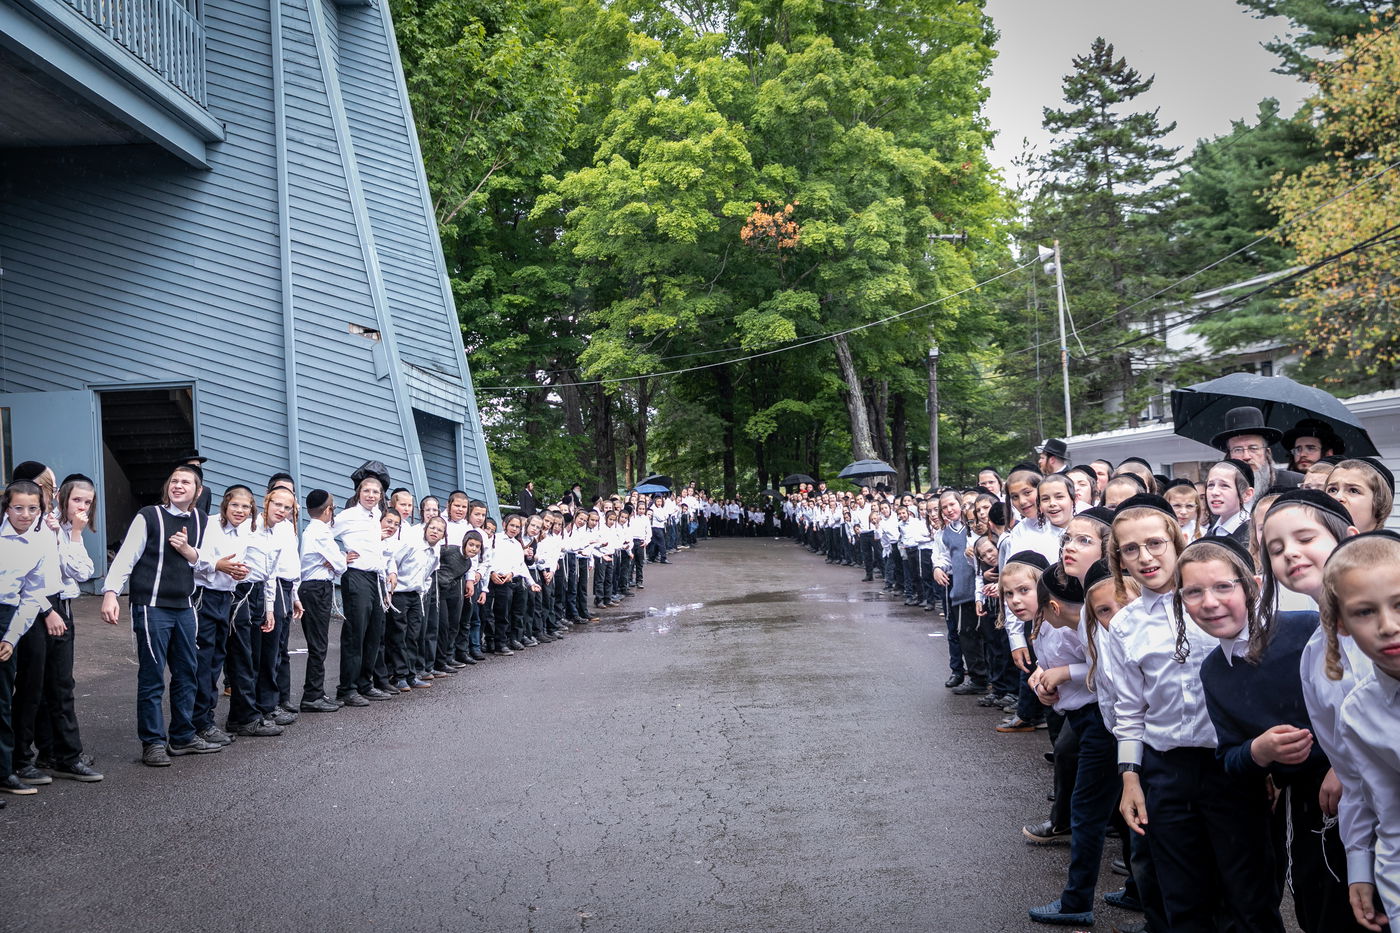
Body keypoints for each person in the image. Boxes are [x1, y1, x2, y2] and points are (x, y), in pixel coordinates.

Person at [1109, 493, 1285, 933]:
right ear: (1120, 559)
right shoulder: (1126, 626)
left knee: (1249, 898)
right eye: (1131, 549)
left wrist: (1269, 766)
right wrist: (1130, 777)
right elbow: (1128, 710)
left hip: (1232, 765)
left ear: (1177, 538)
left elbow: (1261, 685)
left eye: (1154, 543)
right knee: (1183, 901)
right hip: (1167, 770)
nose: (1145, 557)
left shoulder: (1221, 604)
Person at [100, 465, 223, 766]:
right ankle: (153, 743)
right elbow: (127, 556)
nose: (178, 486)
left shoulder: (201, 520)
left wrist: (189, 551)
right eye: (174, 481)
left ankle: (182, 736)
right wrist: (110, 593)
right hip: (151, 606)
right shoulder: (149, 516)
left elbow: (207, 562)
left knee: (187, 674)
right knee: (153, 676)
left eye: (186, 482)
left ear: (198, 491)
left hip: (185, 607)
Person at [1321, 531, 1400, 931]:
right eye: (1365, 612)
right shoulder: (1360, 711)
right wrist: (1362, 869)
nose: (1388, 626)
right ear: (1342, 625)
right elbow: (1388, 811)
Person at [1, 480, 63, 795]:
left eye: (33, 508)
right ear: (6, 507)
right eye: (18, 507)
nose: (25, 514)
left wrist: (11, 638)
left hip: (13, 616)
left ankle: (11, 764)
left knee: (13, 694)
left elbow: (31, 595)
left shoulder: (41, 542)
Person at [298, 489, 344, 712]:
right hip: (317, 588)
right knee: (318, 644)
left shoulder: (311, 530)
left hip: (313, 587)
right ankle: (312, 695)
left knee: (319, 642)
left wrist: (333, 563)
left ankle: (316, 691)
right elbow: (341, 564)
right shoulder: (322, 532)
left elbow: (335, 564)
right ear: (328, 510)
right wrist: (336, 562)